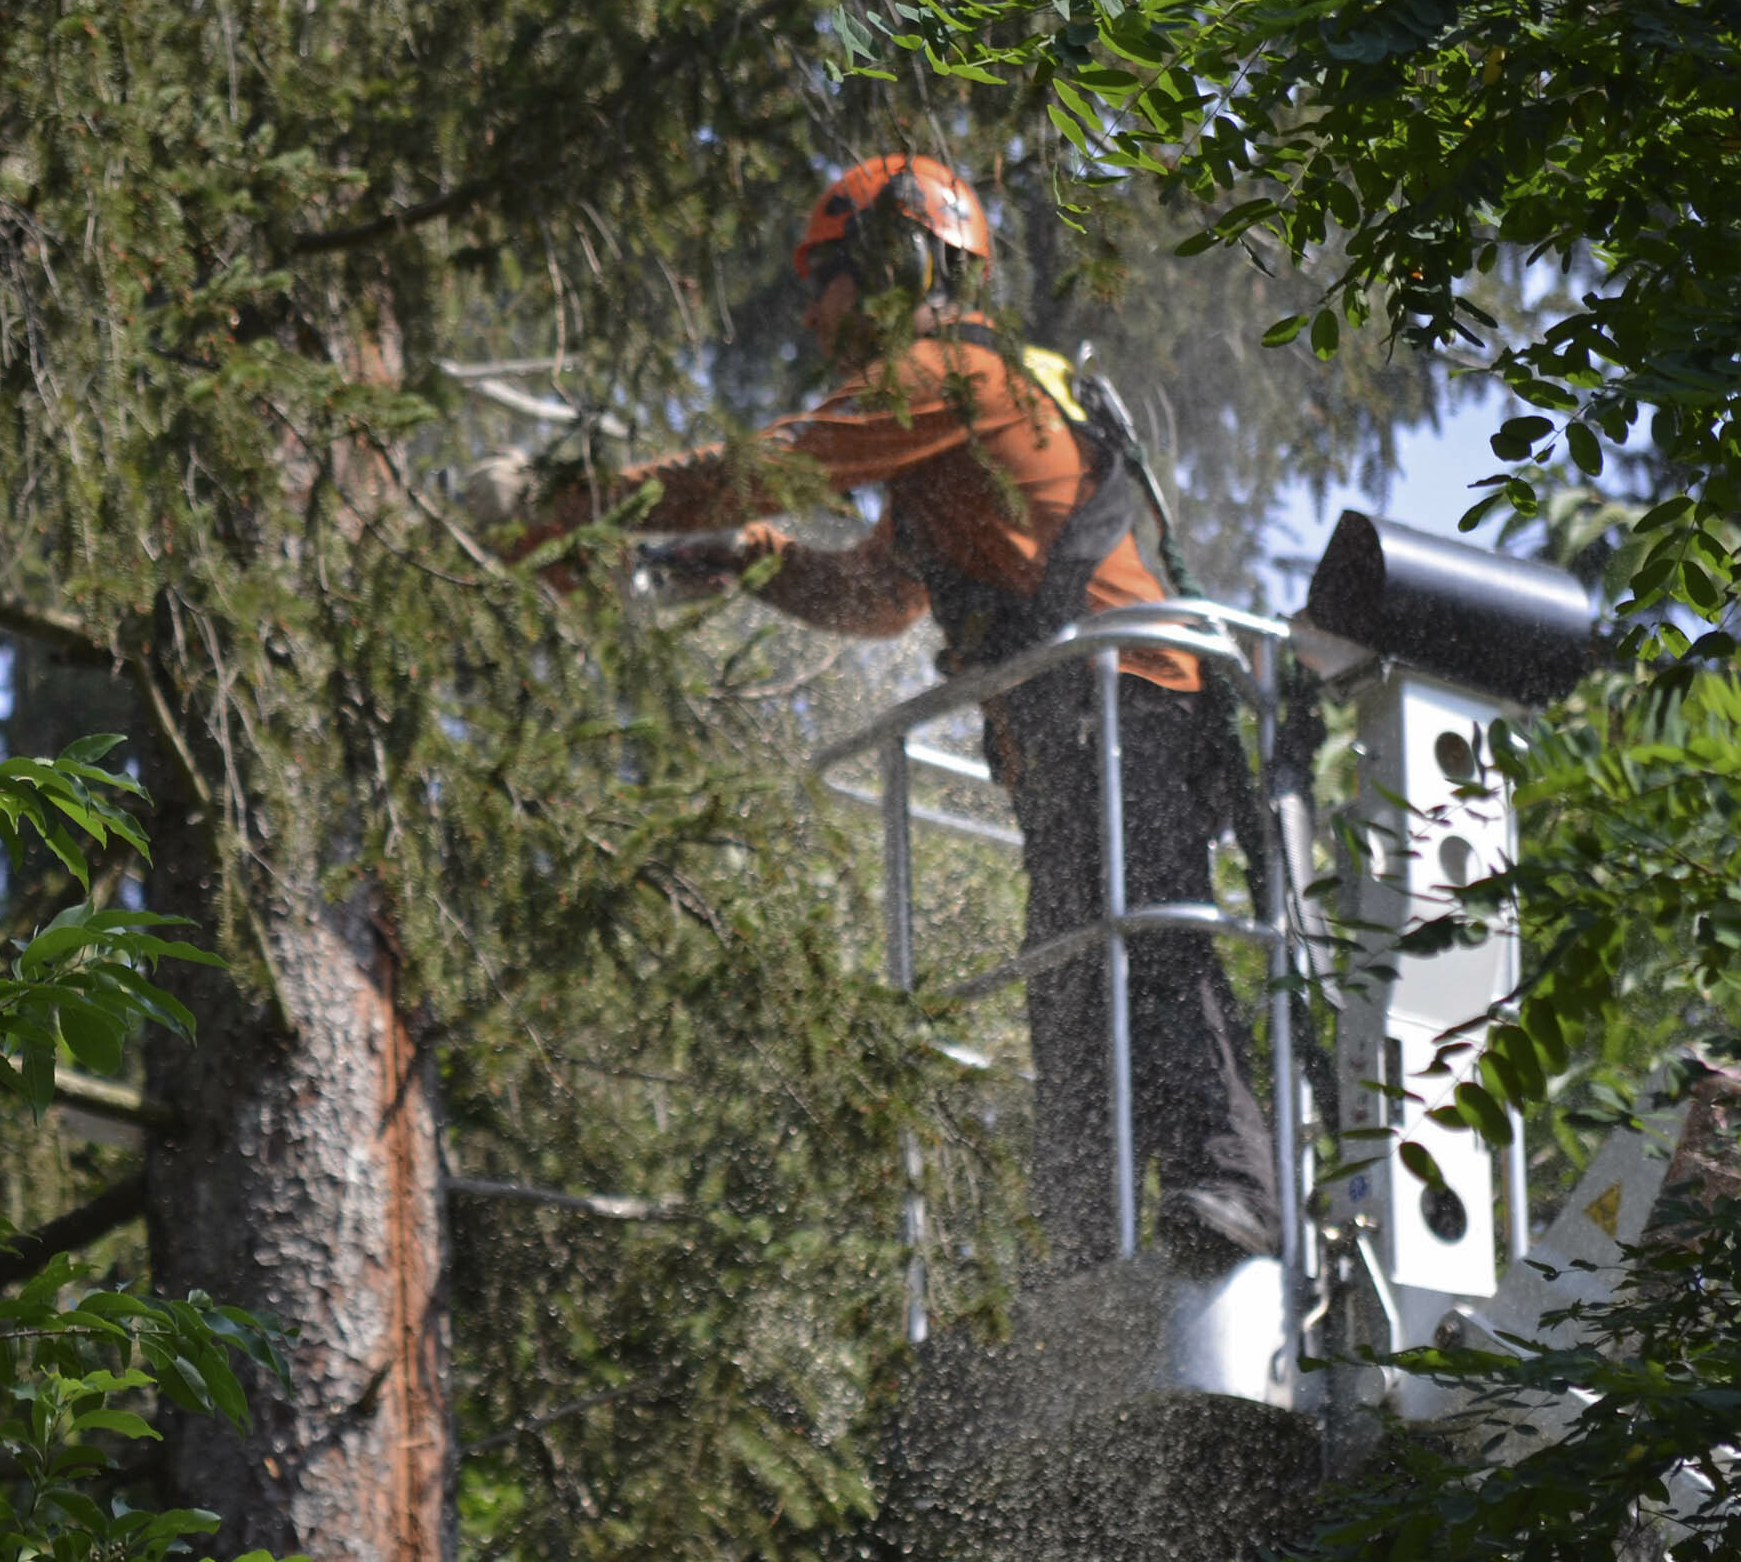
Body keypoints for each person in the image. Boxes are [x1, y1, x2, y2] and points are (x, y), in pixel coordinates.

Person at [494, 155, 1277, 1271]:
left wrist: (574, 508)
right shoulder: (941, 443)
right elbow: (882, 598)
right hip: (1067, 723)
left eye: (823, 279)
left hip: (1125, 693)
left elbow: (781, 465)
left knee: (1147, 941)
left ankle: (1231, 1188)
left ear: (898, 264)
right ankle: (1080, 1251)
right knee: (1071, 982)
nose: (812, 315)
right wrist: (751, 560)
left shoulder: (952, 375)